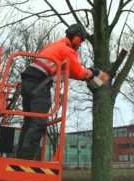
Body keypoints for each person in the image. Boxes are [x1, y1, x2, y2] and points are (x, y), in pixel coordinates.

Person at [16, 24, 100, 160]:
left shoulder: (54, 46)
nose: (79, 46)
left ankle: (20, 157)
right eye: (81, 42)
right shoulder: (67, 50)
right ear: (77, 38)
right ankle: (24, 160)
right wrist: (92, 73)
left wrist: (85, 73)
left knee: (29, 122)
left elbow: (68, 72)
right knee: (39, 123)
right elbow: (79, 72)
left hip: (28, 82)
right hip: (39, 84)